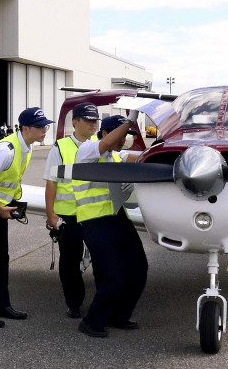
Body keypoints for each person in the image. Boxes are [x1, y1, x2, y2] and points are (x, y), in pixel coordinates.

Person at [0, 107, 54, 328]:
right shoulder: (6, 150)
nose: (45, 130)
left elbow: (9, 182)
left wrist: (11, 206)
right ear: (25, 128)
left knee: (1, 258)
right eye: (40, 127)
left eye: (45, 126)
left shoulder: (27, 147)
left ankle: (1, 305)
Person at [74, 112, 148, 338]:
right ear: (105, 133)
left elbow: (144, 156)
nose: (125, 139)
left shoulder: (117, 156)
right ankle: (92, 322)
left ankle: (119, 316)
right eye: (123, 134)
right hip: (95, 220)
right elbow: (106, 144)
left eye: (128, 135)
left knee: (138, 269)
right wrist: (129, 120)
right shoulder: (87, 150)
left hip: (117, 217)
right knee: (113, 276)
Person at [43, 102, 100, 319]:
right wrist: (51, 215)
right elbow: (51, 182)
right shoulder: (61, 148)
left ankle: (101, 303)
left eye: (95, 121)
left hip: (94, 214)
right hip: (69, 215)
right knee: (70, 262)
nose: (93, 124)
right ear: (75, 122)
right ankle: (74, 303)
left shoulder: (99, 145)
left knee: (101, 259)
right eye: (88, 120)